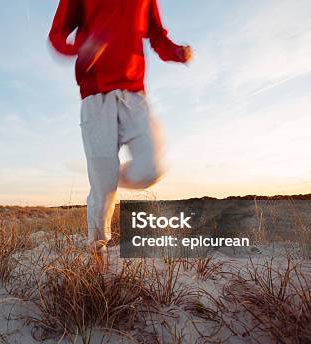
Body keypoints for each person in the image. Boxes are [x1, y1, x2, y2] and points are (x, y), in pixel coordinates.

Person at [48, 0, 192, 260]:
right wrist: (83, 47)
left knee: (151, 169)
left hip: (134, 94)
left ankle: (108, 175)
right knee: (103, 190)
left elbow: (157, 35)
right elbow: (57, 36)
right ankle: (97, 251)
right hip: (95, 95)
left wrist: (176, 52)